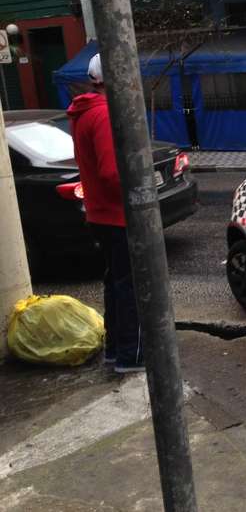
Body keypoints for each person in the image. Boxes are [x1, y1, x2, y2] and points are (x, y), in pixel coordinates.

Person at [67, 54, 144, 373]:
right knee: (131, 288)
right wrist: (138, 201)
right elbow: (113, 173)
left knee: (116, 284)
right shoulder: (103, 115)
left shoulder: (85, 112)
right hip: (117, 216)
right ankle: (131, 355)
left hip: (101, 215)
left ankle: (116, 350)